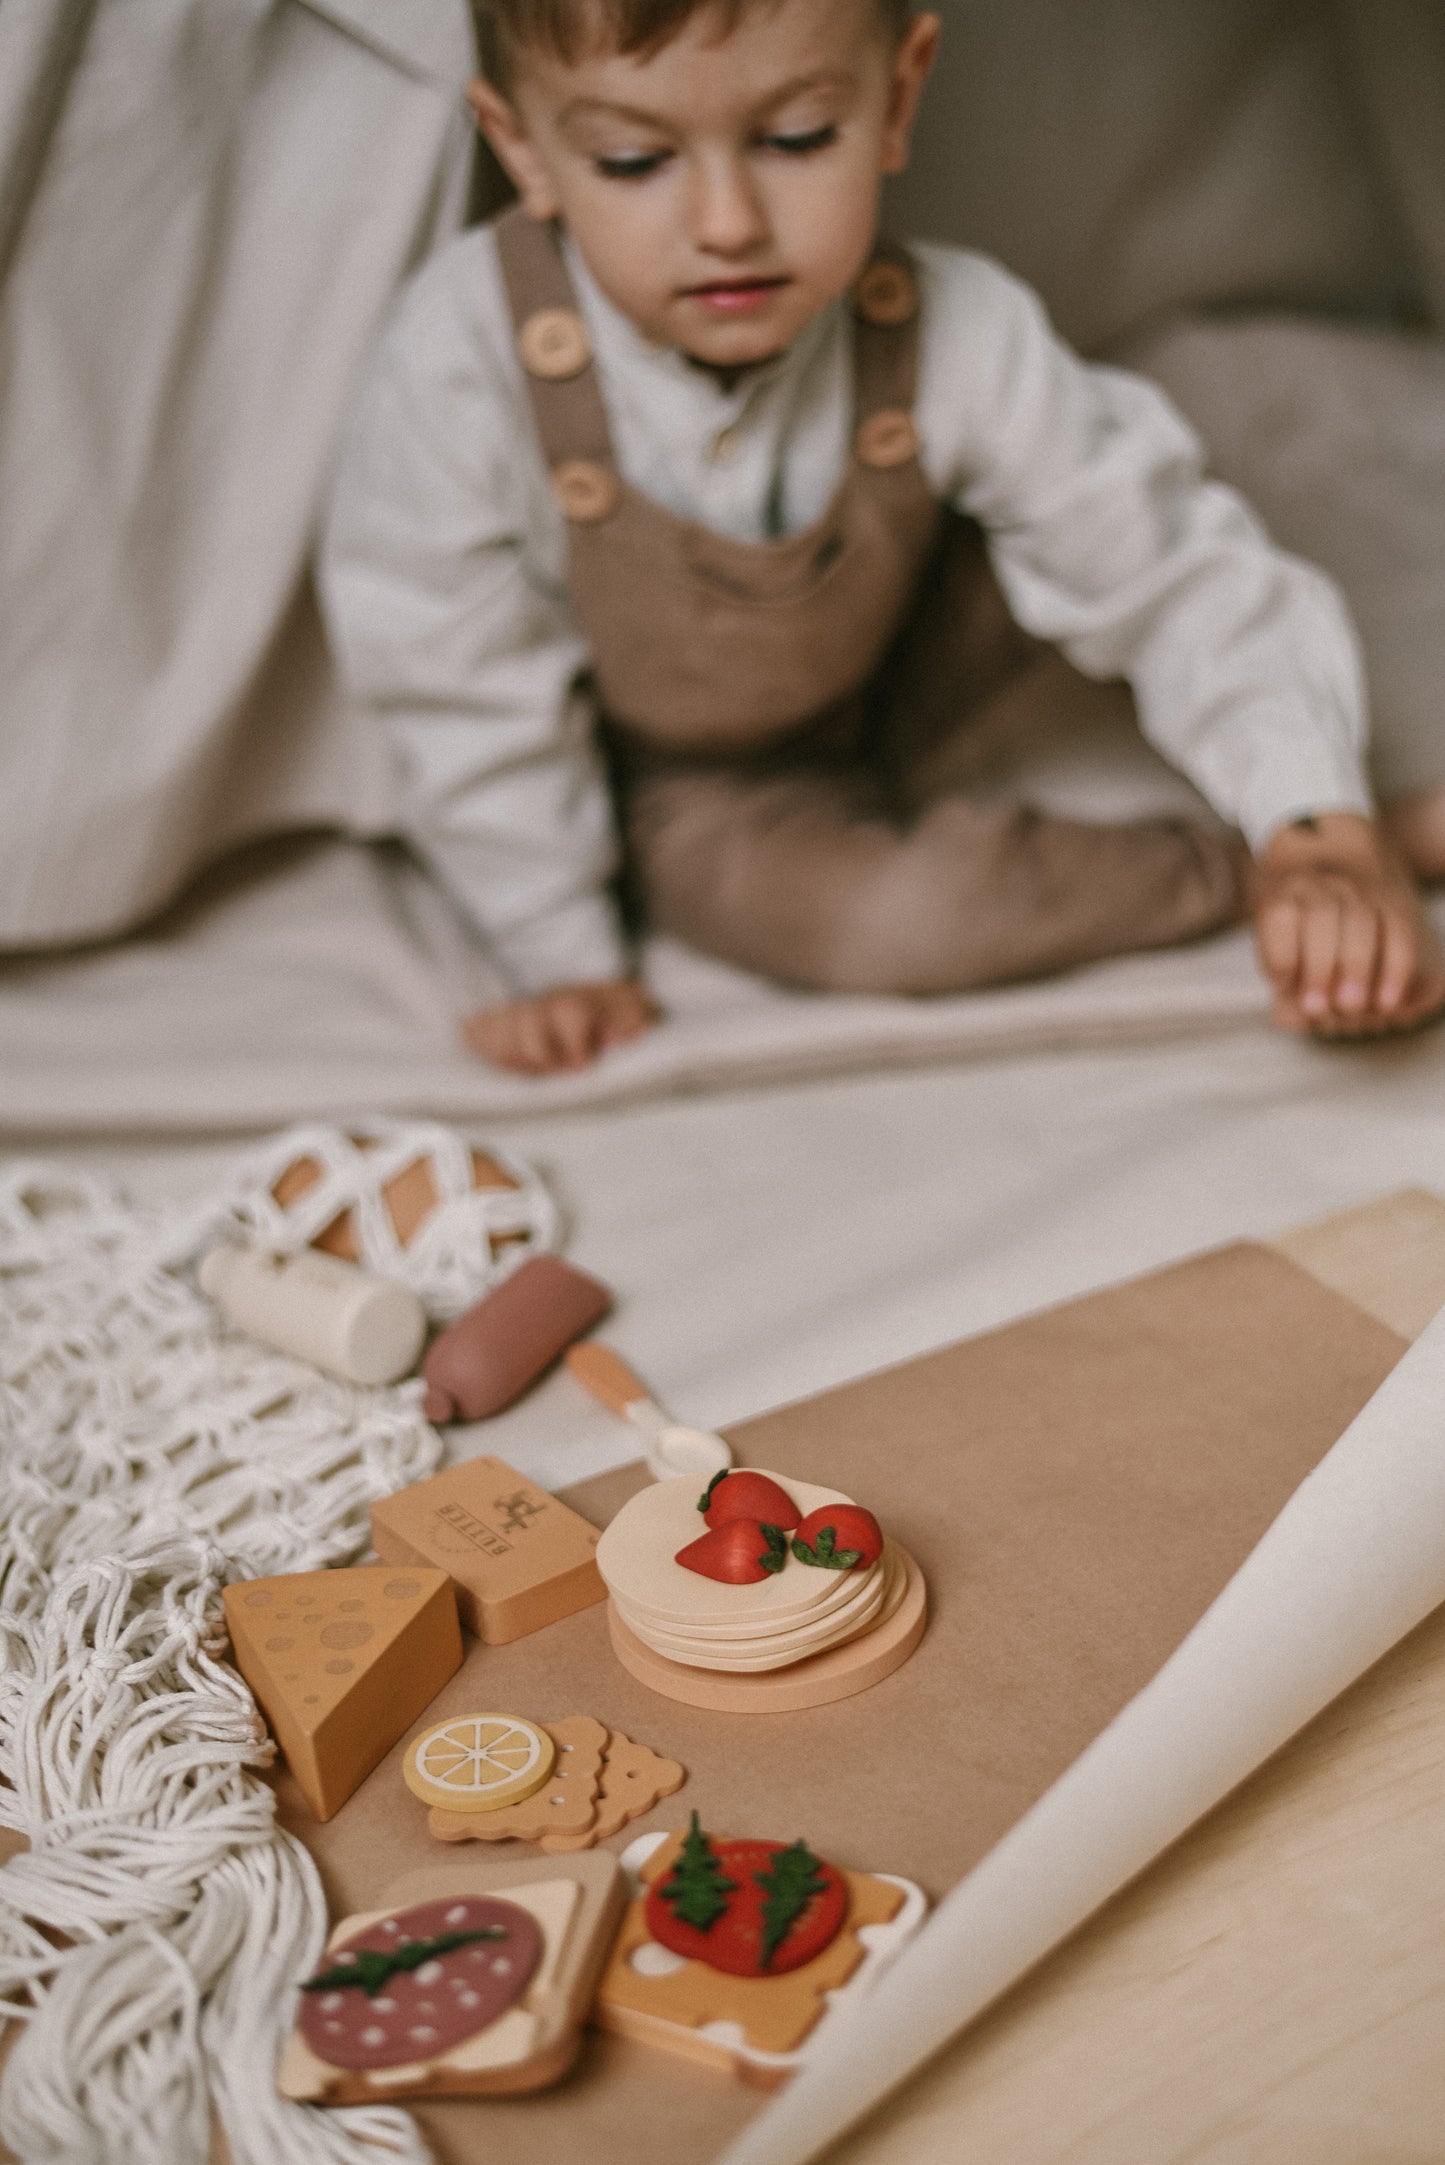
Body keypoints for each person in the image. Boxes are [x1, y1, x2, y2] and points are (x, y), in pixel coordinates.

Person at [320, 0, 1445, 1074]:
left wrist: (1310, 814)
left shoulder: (955, 328)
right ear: (521, 151)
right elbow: (456, 682)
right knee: (899, 925)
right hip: (701, 781)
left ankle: (1313, 846)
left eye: (797, 138)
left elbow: (1173, 568)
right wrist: (559, 958)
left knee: (1126, 501)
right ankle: (1227, 872)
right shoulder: (464, 360)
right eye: (632, 162)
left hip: (897, 637)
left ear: (897, 97)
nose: (727, 225)